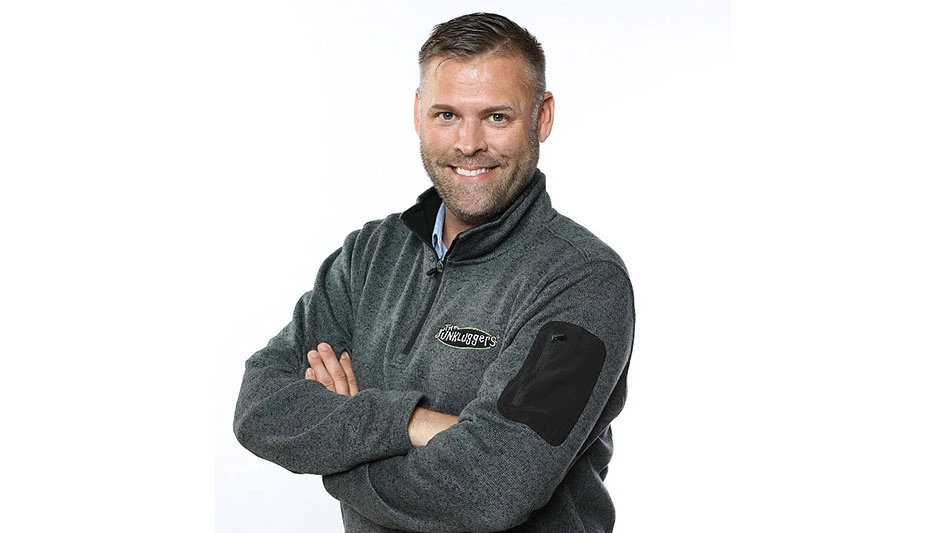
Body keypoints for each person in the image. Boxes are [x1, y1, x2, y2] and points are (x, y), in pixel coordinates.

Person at [234, 12, 635, 532]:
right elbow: (259, 407)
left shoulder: (581, 280)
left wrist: (336, 449)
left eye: (496, 117)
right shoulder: (368, 256)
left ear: (542, 118)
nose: (468, 143)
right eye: (447, 115)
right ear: (419, 113)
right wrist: (412, 422)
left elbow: (492, 487)